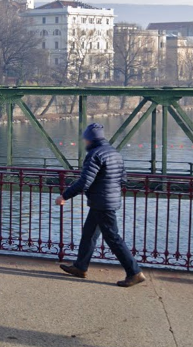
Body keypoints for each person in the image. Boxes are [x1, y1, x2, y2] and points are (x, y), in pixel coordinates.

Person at [56, 122, 145, 287]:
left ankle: (134, 272)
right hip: (106, 200)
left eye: (85, 139)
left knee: (113, 238)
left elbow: (85, 182)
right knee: (89, 234)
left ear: (90, 139)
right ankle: (80, 267)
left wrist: (65, 196)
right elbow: (123, 179)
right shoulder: (114, 153)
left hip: (102, 202)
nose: (84, 142)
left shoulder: (95, 155)